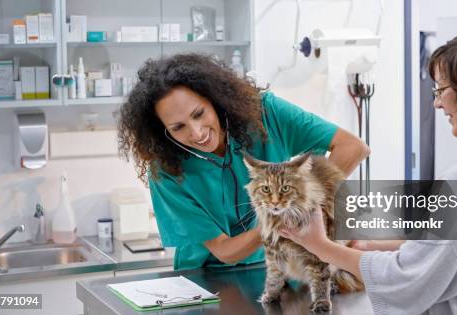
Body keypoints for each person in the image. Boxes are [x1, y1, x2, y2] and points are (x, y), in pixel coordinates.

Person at [281, 28, 457, 314]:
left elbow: (404, 279)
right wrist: (369, 244)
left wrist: (319, 245)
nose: (437, 102)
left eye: (441, 90)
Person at [116, 53, 369, 270]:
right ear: (163, 131)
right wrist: (277, 221)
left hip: (279, 266)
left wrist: (305, 200)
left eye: (199, 114)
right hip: (207, 279)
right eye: (178, 127)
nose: (196, 133)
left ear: (214, 101)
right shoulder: (166, 169)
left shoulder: (266, 114)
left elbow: (352, 148)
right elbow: (225, 251)